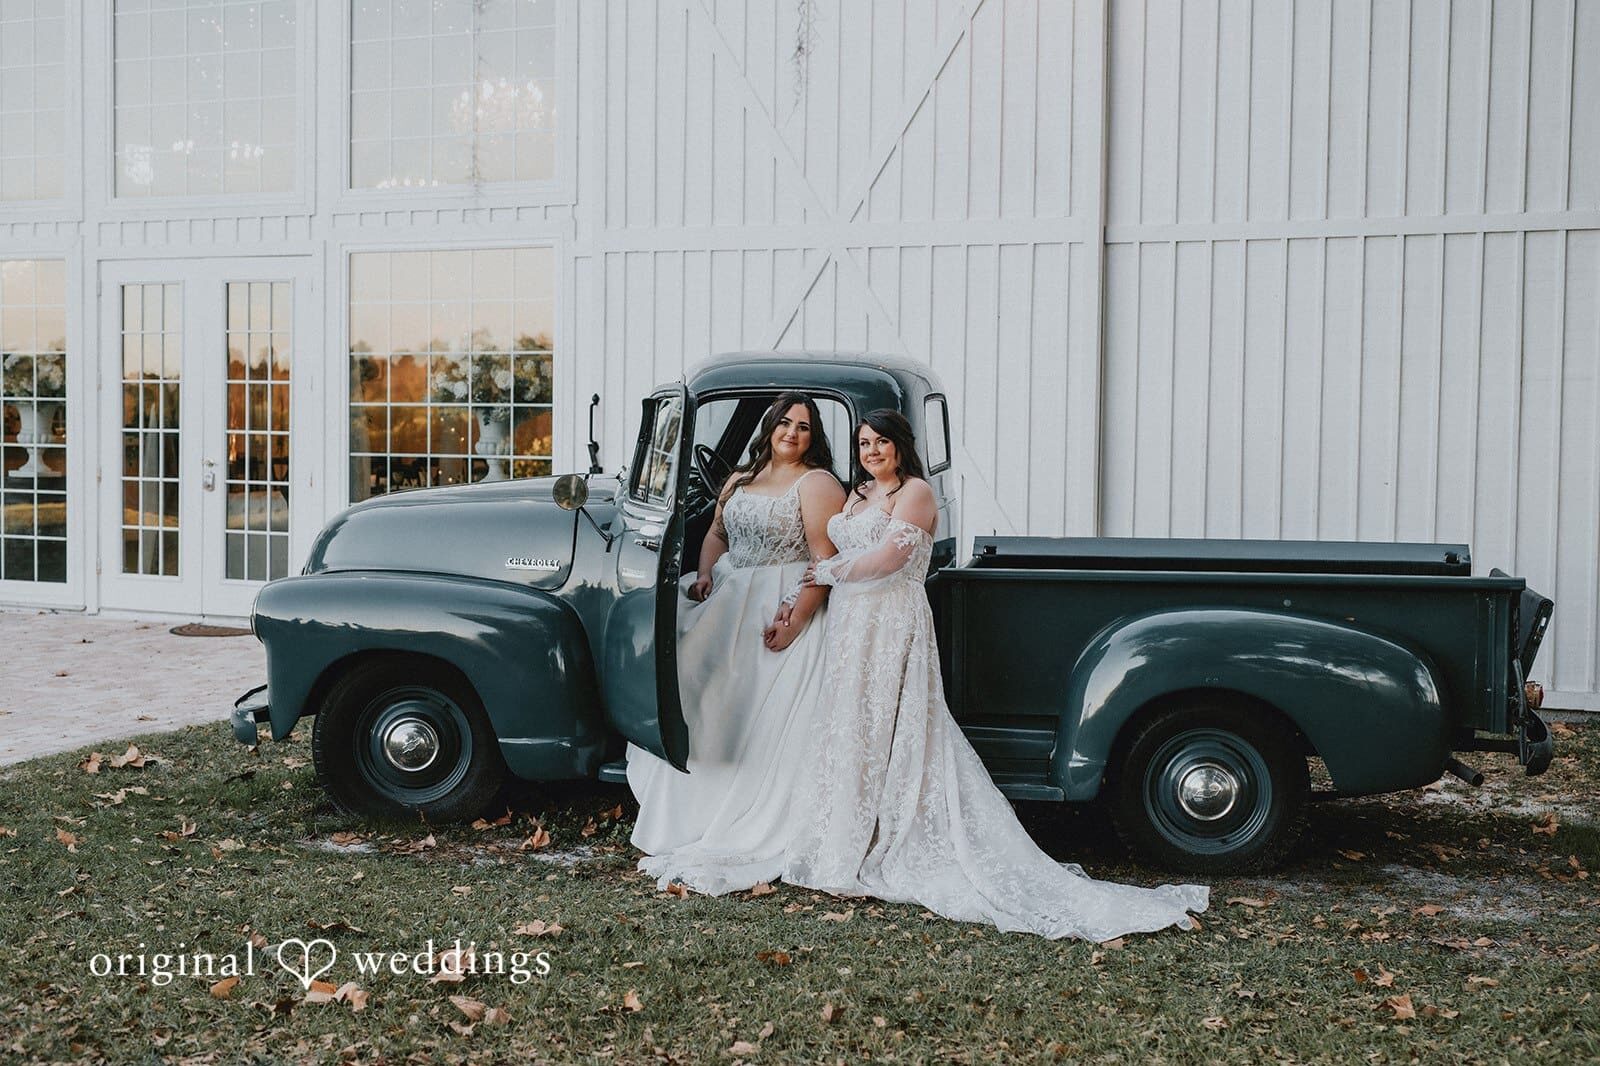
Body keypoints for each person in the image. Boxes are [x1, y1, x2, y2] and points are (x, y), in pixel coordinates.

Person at [776, 409, 1209, 941]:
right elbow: (845, 546)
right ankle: (849, 835)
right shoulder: (858, 493)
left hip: (891, 622)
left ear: (900, 446)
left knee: (894, 724)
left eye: (881, 442)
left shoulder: (915, 492)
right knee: (853, 726)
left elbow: (888, 559)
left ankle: (896, 836)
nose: (871, 452)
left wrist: (827, 571)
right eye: (864, 443)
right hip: (850, 624)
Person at [627, 392, 846, 895]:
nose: (792, 433)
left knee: (751, 703)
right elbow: (717, 536)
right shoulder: (739, 480)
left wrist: (795, 620)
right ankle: (685, 793)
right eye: (785, 422)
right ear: (769, 427)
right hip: (731, 589)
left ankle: (740, 814)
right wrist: (704, 574)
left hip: (781, 597)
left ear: (814, 438)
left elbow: (825, 562)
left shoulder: (817, 484)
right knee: (686, 666)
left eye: (805, 427)